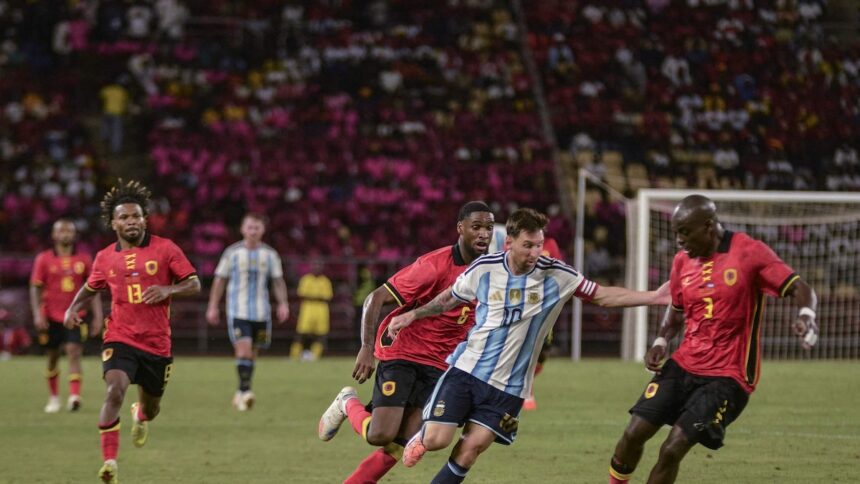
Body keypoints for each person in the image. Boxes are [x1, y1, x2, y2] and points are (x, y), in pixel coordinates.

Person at [387, 207, 670, 483]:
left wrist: (655, 297)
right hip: (468, 371)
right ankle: (424, 437)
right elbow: (449, 298)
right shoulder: (485, 268)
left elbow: (602, 295)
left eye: (539, 245)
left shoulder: (558, 275)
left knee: (470, 449)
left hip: (510, 387)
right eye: (528, 245)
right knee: (437, 440)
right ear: (509, 242)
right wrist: (413, 315)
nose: (535, 253)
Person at [606, 195, 818, 484]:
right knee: (633, 434)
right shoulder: (682, 261)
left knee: (671, 449)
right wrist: (660, 341)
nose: (679, 240)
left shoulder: (749, 252)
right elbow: (676, 309)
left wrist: (807, 314)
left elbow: (800, 287)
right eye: (676, 233)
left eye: (685, 232)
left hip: (727, 377)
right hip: (684, 364)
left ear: (708, 226)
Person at [317, 201, 495, 484]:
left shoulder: (491, 272)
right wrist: (366, 347)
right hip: (404, 352)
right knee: (380, 435)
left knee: (404, 441)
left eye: (489, 227)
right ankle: (346, 401)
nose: (484, 233)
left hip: (441, 363)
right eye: (476, 227)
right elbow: (375, 298)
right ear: (460, 229)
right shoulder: (433, 266)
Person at [63, 179, 201, 484]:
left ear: (145, 219)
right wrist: (72, 308)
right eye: (124, 217)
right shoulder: (104, 257)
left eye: (136, 216)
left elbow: (194, 283)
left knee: (152, 409)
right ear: (113, 223)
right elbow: (90, 287)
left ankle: (141, 415)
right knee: (114, 391)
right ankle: (109, 463)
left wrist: (167, 289)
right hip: (120, 337)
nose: (131, 221)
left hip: (157, 344)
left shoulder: (165, 248)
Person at [206, 212, 290, 411]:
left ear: (263, 230)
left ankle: (240, 390)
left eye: (257, 227)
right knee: (243, 349)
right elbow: (220, 280)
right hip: (238, 311)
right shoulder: (232, 253)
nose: (253, 231)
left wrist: (283, 303)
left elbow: (278, 281)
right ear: (243, 229)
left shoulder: (270, 255)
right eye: (250, 227)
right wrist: (213, 305)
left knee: (253, 353)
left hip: (262, 313)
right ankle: (246, 391)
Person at [30, 218, 103, 413]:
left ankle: (74, 396)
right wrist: (37, 314)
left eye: (69, 231)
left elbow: (93, 290)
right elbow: (35, 288)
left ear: (75, 235)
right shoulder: (44, 259)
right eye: (61, 231)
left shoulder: (84, 259)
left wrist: (98, 316)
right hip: (50, 316)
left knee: (73, 351)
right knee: (52, 357)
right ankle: (54, 398)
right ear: (54, 235)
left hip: (76, 315)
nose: (65, 234)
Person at [290, 260, 333, 361]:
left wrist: (312, 296)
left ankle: (315, 356)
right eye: (315, 265)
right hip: (307, 309)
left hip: (321, 310)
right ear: (311, 266)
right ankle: (294, 355)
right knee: (301, 333)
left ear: (322, 267)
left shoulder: (325, 281)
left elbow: (327, 297)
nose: (317, 267)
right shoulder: (305, 279)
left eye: (319, 265)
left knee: (320, 334)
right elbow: (301, 294)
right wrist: (317, 297)